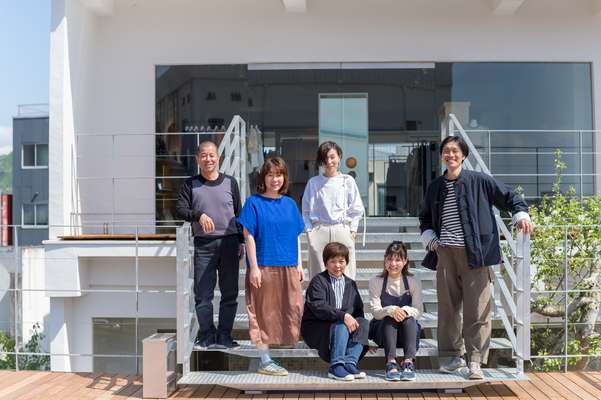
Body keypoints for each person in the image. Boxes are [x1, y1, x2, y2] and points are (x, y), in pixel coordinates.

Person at [419, 135, 533, 380]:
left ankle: (475, 362)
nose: (450, 155)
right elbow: (426, 217)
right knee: (448, 310)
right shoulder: (436, 186)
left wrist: (521, 214)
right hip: (446, 254)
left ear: (464, 155)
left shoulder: (479, 181)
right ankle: (450, 358)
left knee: (478, 309)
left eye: (455, 151)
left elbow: (509, 196)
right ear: (442, 156)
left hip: (476, 254)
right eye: (446, 151)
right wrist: (429, 236)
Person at [237, 156, 305, 376]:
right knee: (261, 312)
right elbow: (249, 236)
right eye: (270, 174)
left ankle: (279, 355)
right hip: (264, 265)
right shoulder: (253, 203)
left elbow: (296, 236)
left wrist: (300, 264)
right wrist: (254, 267)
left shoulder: (290, 204)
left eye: (279, 174)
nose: (275, 179)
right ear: (263, 177)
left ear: (284, 178)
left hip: (289, 265)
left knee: (291, 309)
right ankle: (265, 360)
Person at [176, 140, 244, 349]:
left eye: (212, 155)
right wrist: (198, 215)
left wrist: (241, 241)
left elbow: (239, 213)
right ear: (197, 159)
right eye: (204, 155)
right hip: (204, 244)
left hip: (230, 242)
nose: (208, 159)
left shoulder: (230, 182)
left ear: (218, 157)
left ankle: (224, 335)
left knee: (229, 293)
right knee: (203, 294)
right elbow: (179, 209)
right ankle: (206, 335)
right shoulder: (190, 184)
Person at [301, 242, 369, 381]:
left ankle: (350, 363)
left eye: (341, 261)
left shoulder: (351, 283)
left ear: (346, 262)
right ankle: (336, 366)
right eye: (333, 261)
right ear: (326, 263)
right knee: (342, 322)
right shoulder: (318, 281)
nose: (337, 265)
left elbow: (358, 310)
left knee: (363, 322)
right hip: (319, 327)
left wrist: (362, 339)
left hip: (343, 328)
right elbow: (318, 306)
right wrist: (343, 316)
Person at [302, 141, 364, 280]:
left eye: (332, 157)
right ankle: (319, 302)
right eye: (325, 158)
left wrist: (352, 231)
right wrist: (310, 233)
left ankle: (346, 302)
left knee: (346, 275)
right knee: (318, 275)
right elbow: (305, 211)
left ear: (339, 156)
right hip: (319, 231)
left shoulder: (347, 180)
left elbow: (357, 208)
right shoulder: (313, 182)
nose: (329, 161)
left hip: (342, 228)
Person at [368, 241, 422, 382]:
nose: (393, 263)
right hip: (383, 332)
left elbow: (418, 311)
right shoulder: (375, 281)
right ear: (385, 260)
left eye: (398, 259)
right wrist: (390, 310)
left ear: (405, 261)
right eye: (390, 259)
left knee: (410, 319)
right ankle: (391, 362)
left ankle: (408, 362)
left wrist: (404, 310)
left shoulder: (413, 281)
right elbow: (375, 311)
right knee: (389, 317)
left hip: (406, 334)